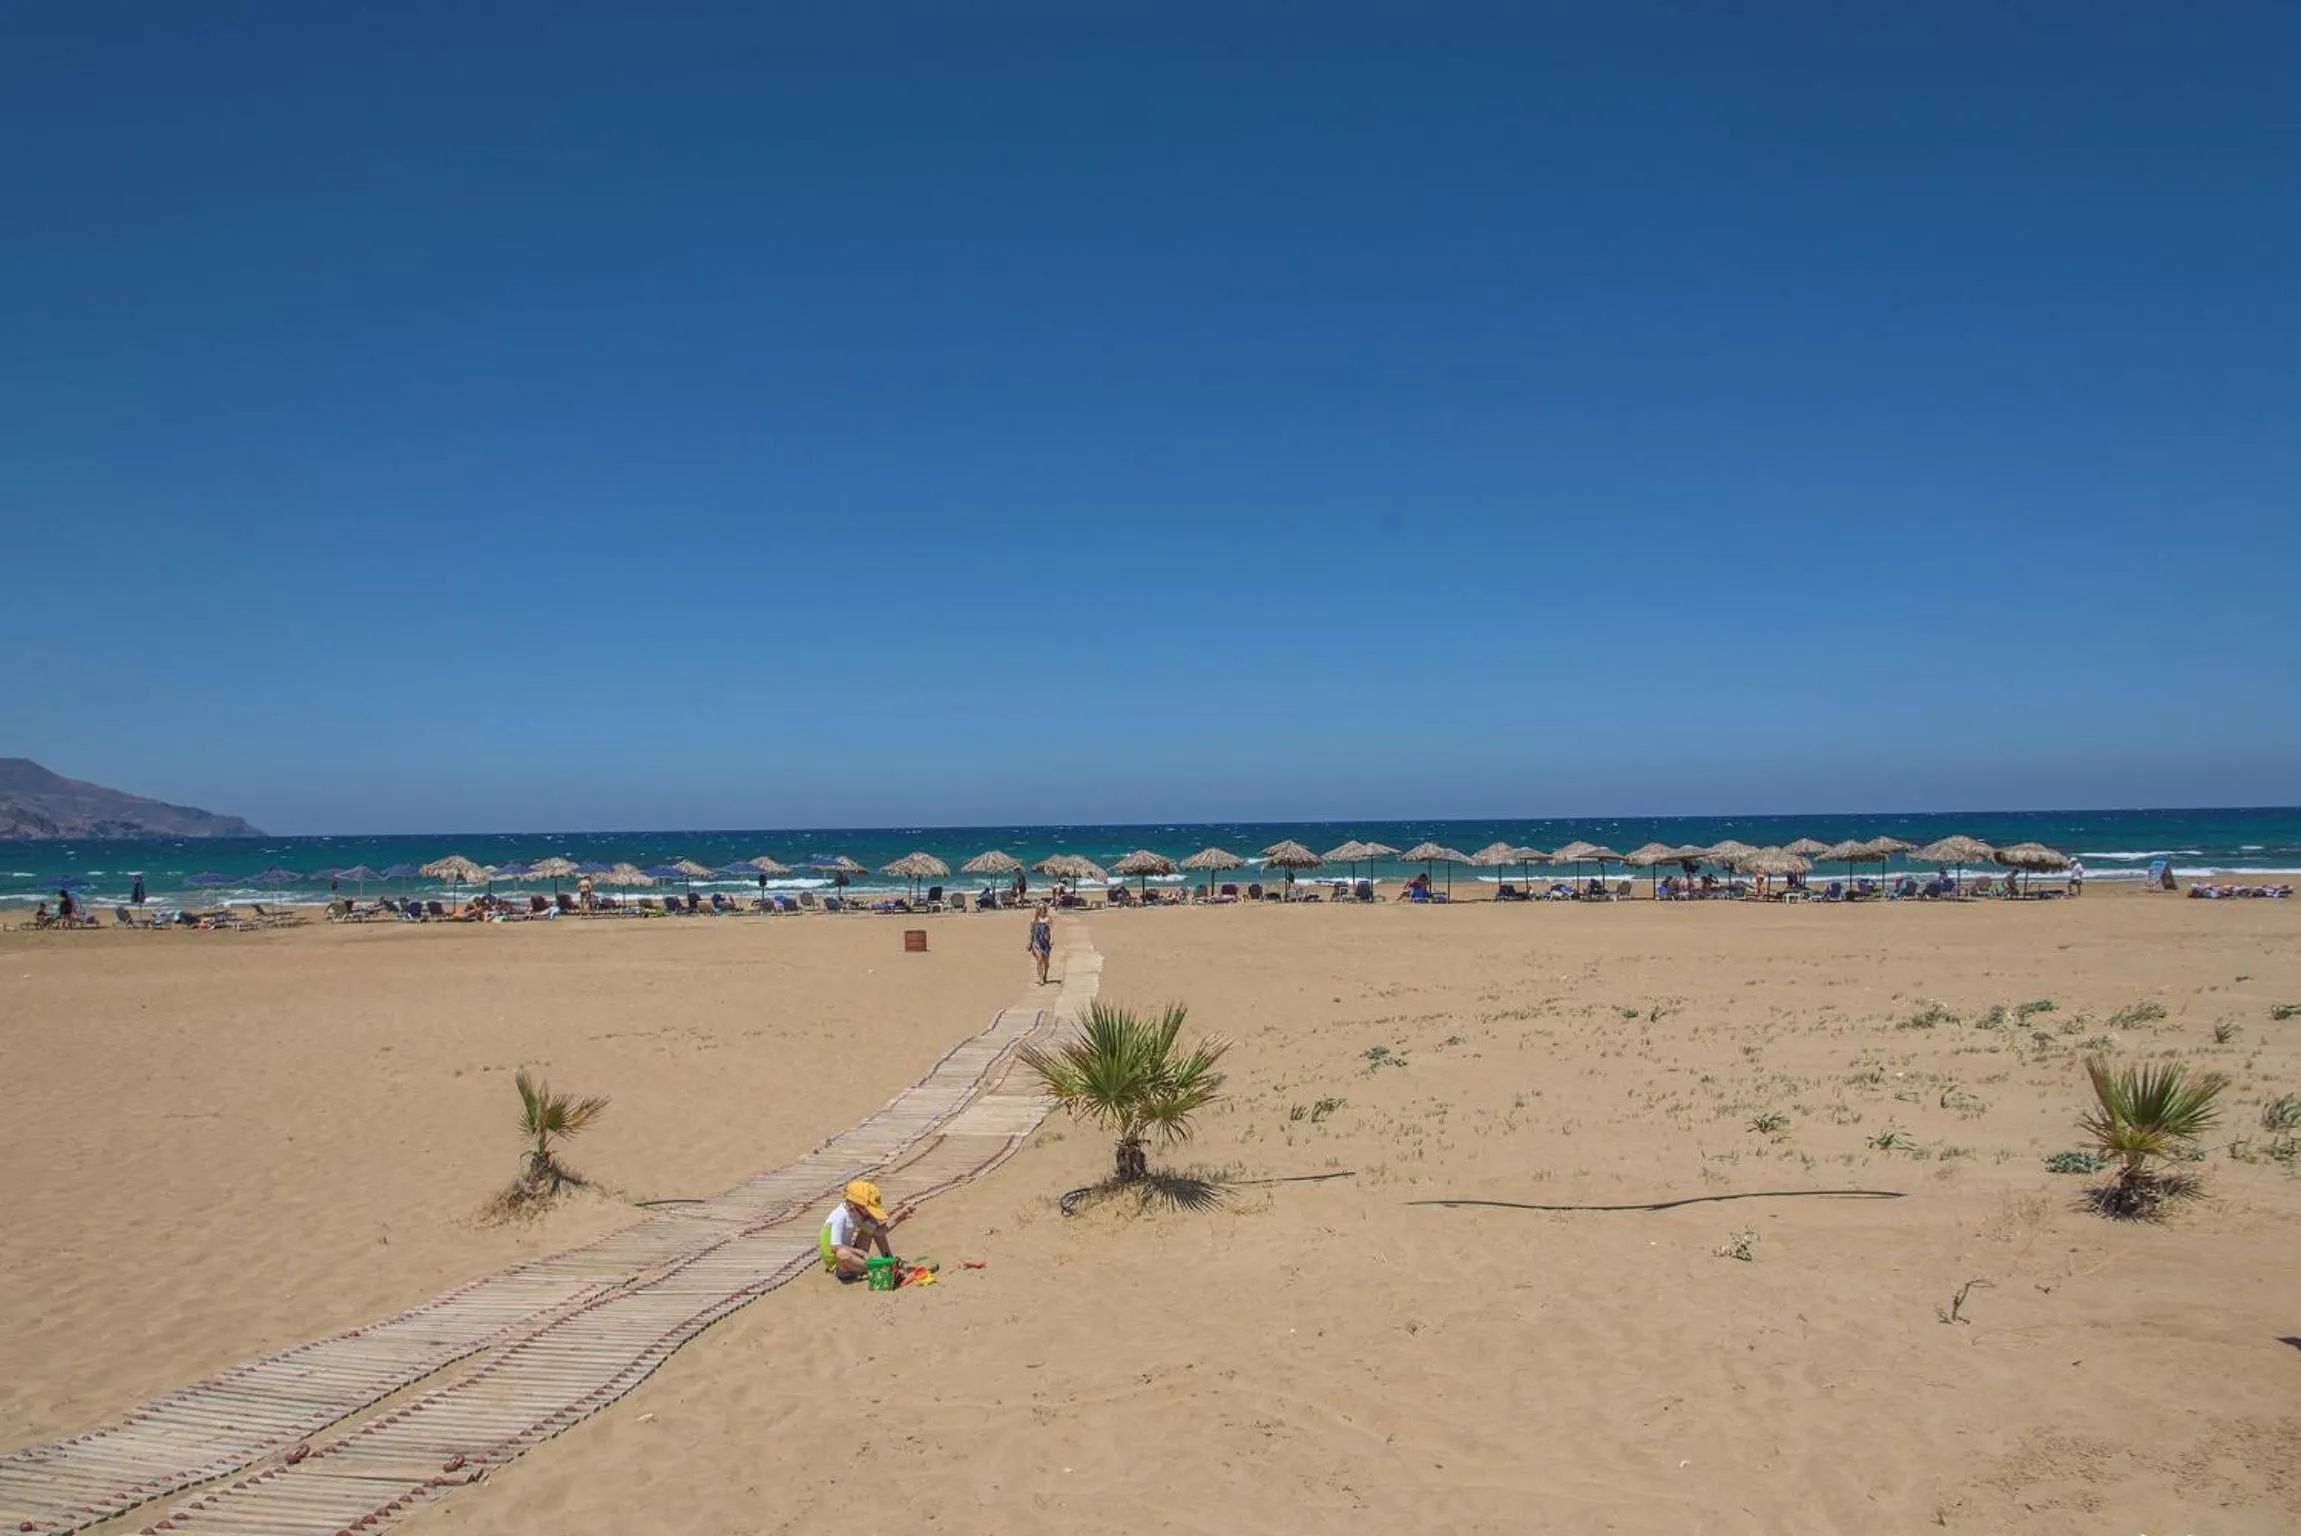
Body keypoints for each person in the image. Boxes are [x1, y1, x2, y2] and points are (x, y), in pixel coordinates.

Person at [820, 1179, 900, 1281]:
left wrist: (898, 1218)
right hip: (840, 1265)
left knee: (871, 1224)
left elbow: (878, 1232)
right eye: (865, 1212)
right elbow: (835, 1247)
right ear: (853, 1207)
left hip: (854, 1258)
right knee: (842, 1254)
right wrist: (861, 1253)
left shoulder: (855, 1214)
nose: (867, 1215)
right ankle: (876, 1269)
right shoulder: (840, 1216)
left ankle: (889, 1260)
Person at [1027, 901, 1053, 984]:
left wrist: (1052, 939)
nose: (1042, 910)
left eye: (1043, 908)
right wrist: (1030, 942)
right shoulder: (1034, 919)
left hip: (1045, 942)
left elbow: (1051, 930)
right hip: (1036, 941)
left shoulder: (1048, 919)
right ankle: (1041, 978)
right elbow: (1031, 932)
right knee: (1039, 959)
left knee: (1046, 962)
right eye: (1040, 908)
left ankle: (1045, 975)